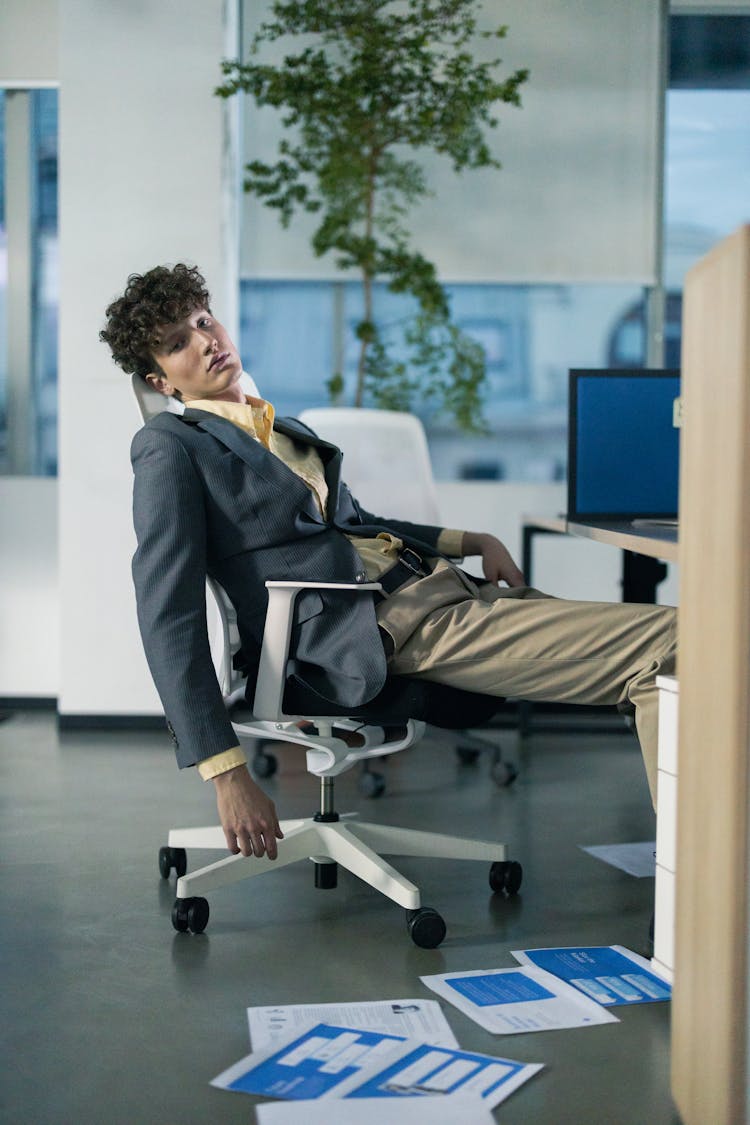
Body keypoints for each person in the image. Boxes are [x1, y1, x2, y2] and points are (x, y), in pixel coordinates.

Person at [101, 264, 677, 863]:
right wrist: (225, 771)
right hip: (378, 632)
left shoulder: (280, 428)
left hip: (439, 592)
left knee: (667, 671)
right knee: (672, 641)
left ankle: (692, 877)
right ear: (160, 380)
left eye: (202, 321)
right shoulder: (171, 446)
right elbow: (166, 611)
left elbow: (352, 524)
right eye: (177, 343)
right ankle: (693, 889)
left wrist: (465, 539)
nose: (205, 341)